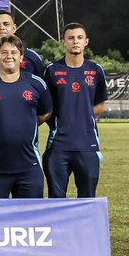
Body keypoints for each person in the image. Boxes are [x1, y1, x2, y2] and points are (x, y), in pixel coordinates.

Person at [0, 35, 53, 198]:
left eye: (14, 52)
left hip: (29, 166)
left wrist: (26, 125)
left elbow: (46, 113)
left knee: (31, 220)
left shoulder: (36, 84)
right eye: (4, 52)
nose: (9, 56)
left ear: (21, 57)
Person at [43, 22, 108, 198]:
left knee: (87, 199)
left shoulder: (95, 70)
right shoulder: (52, 70)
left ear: (86, 41)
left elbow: (102, 104)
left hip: (88, 146)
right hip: (58, 146)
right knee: (56, 200)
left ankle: (86, 228)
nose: (75, 42)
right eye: (70, 38)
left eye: (79, 38)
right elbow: (45, 107)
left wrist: (83, 114)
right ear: (63, 42)